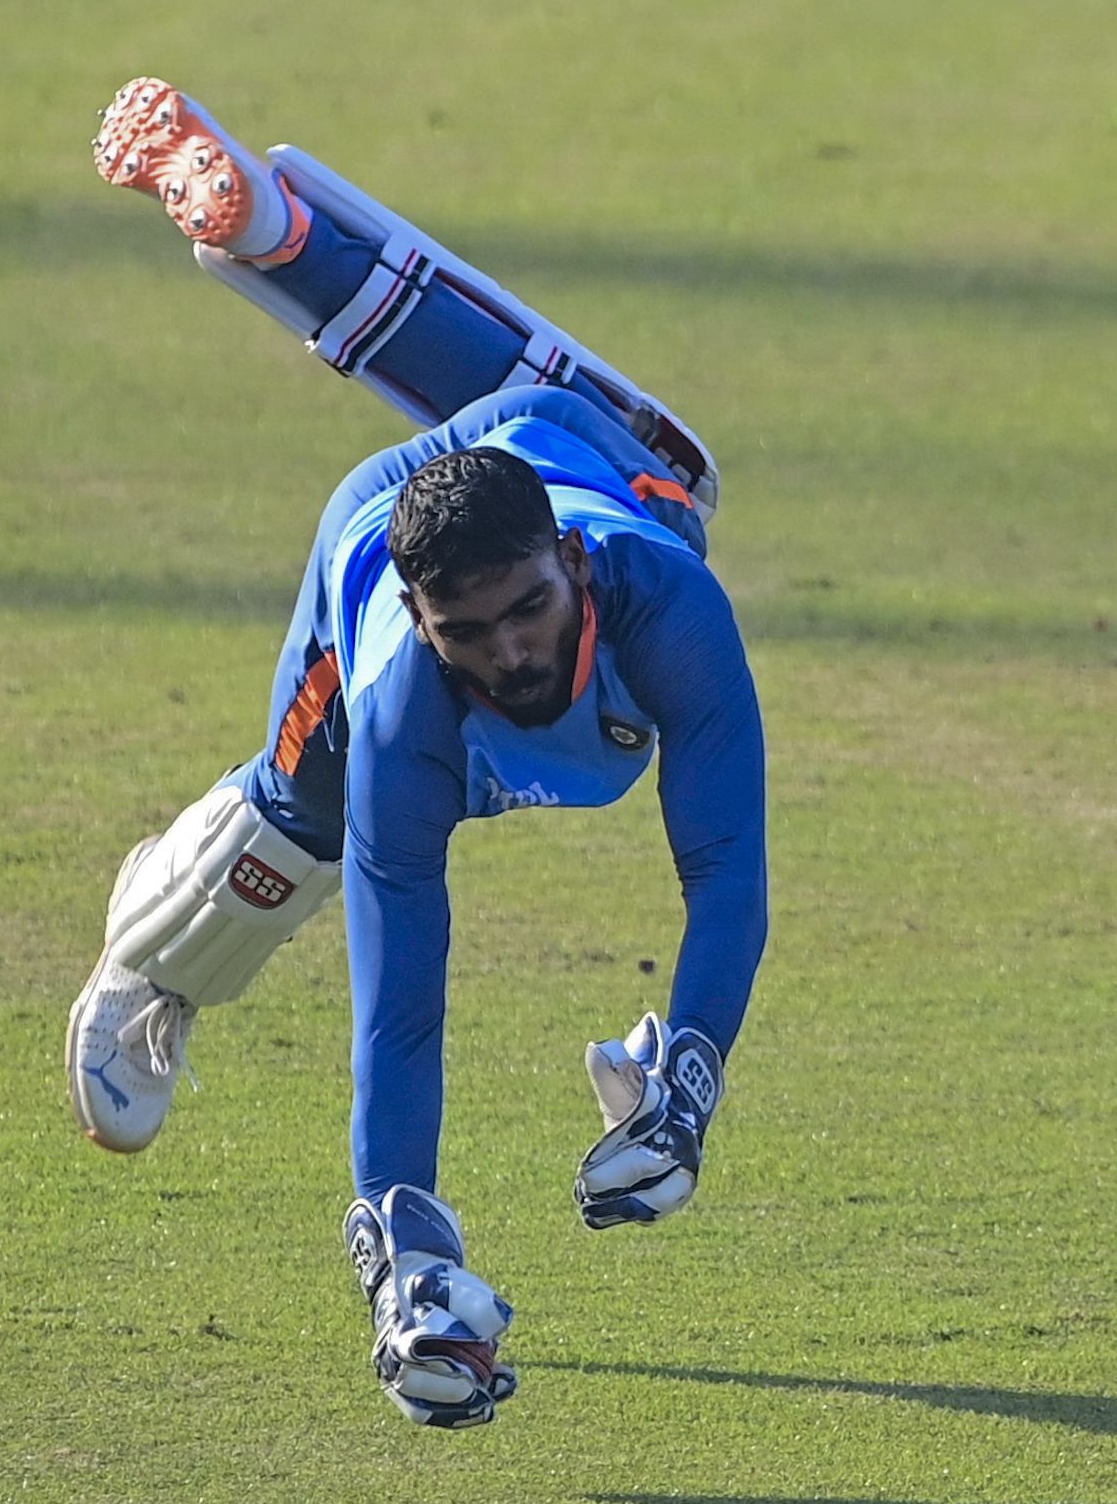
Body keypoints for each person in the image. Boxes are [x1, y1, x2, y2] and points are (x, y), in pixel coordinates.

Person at [69, 79, 769, 1429]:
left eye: (528, 614)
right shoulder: (406, 703)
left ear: (572, 569)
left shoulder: (662, 606)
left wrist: (687, 1081)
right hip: (380, 531)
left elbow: (727, 863)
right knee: (294, 830)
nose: (508, 653)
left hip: (572, 454)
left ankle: (275, 228)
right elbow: (401, 1007)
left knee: (681, 474)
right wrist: (407, 1256)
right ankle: (150, 962)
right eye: (475, 633)